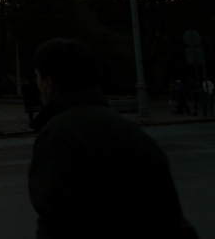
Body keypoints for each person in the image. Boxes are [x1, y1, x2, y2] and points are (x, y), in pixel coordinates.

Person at [28, 38, 197, 238]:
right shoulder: (132, 131)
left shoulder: (60, 134)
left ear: (49, 82)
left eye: (38, 77)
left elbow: (57, 221)